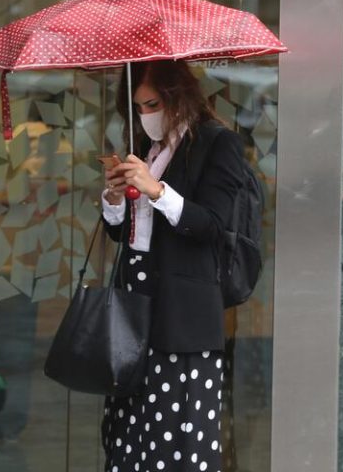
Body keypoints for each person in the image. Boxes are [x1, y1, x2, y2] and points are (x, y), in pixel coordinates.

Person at [99, 59, 244, 472]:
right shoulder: (150, 150)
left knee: (177, 440)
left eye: (151, 104)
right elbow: (123, 235)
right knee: (128, 437)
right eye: (138, 107)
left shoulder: (217, 144)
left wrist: (156, 189)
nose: (145, 116)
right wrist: (114, 198)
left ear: (176, 97)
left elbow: (212, 225)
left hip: (183, 320)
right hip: (135, 310)